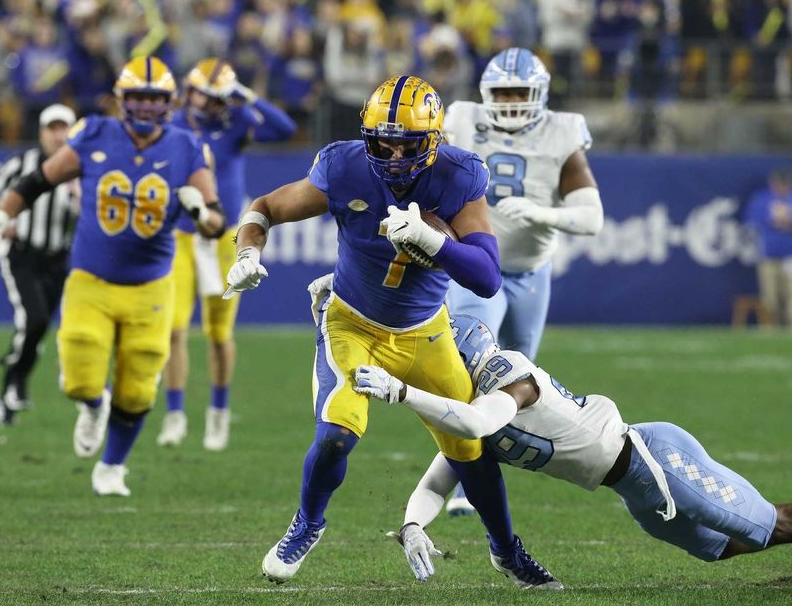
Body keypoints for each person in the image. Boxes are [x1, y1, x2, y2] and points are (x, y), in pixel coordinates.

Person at [224, 75, 558, 588]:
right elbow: (265, 208)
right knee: (337, 434)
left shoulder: (458, 175)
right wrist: (247, 252)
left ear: (434, 139)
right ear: (367, 134)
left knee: (471, 444)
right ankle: (308, 523)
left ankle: (505, 550)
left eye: (407, 143)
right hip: (352, 324)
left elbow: (488, 278)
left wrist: (433, 239)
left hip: (426, 332)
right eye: (383, 140)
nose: (394, 153)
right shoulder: (345, 166)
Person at [352, 313, 792, 585]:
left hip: (653, 460)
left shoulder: (511, 379)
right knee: (719, 548)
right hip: (628, 487)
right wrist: (412, 526)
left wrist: (404, 392)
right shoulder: (465, 408)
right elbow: (441, 477)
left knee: (766, 524)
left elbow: (476, 423)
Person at [0, 57, 226, 496]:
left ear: (169, 102)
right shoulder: (94, 134)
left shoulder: (185, 145)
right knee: (80, 378)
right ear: (121, 99)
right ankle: (93, 406)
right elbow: (38, 181)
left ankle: (112, 467)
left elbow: (217, 220)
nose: (146, 108)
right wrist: (1, 215)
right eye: (139, 98)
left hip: (151, 285)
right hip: (91, 279)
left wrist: (201, 212)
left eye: (155, 99)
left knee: (140, 388)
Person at [442, 46, 602, 515]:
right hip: (477, 269)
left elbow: (591, 217)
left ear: (540, 95)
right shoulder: (462, 119)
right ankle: (461, 483)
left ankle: (476, 473)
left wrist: (542, 212)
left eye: (520, 91)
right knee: (470, 372)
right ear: (485, 94)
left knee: (511, 384)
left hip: (532, 273)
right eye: (502, 92)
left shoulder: (562, 132)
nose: (510, 101)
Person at [156, 58, 296, 451]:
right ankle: (175, 413)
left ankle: (217, 414)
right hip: (181, 235)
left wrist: (247, 95)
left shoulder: (234, 122)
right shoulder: (175, 125)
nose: (200, 101)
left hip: (224, 239)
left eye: (209, 95)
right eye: (197, 91)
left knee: (219, 334)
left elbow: (284, 128)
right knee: (175, 330)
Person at [0, 104, 79, 426]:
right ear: (41, 133)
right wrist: (0, 219)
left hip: (59, 259)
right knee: (34, 320)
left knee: (38, 330)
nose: (58, 135)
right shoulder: (23, 164)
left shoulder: (82, 169)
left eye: (63, 128)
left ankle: (8, 394)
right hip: (24, 255)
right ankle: (16, 384)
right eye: (52, 128)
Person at [744, 168, 792, 328]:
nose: (782, 187)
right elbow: (752, 223)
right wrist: (772, 223)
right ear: (772, 183)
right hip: (768, 254)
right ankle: (770, 329)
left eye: (785, 183)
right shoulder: (761, 199)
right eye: (779, 183)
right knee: (770, 297)